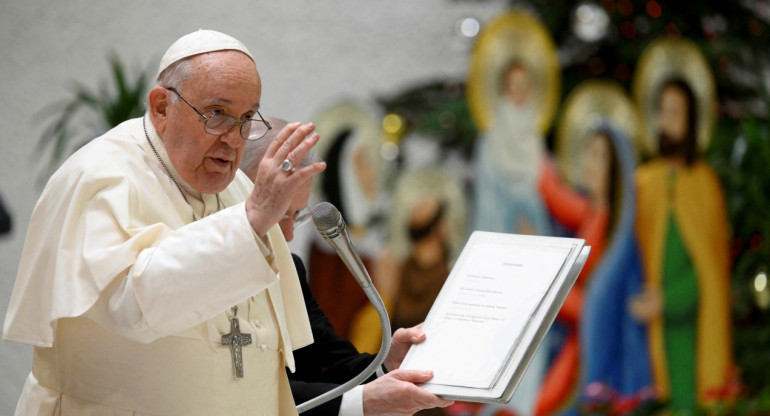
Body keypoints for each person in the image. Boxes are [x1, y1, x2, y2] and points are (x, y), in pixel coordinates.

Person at [0, 29, 443, 416]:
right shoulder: (101, 177)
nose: (233, 139)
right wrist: (250, 221)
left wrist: (383, 366)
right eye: (217, 113)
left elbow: (280, 355)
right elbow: (132, 302)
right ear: (161, 107)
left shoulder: (228, 191)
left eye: (247, 118)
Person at [241, 118, 455, 416]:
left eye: (297, 216)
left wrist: (387, 365)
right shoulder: (205, 274)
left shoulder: (287, 267)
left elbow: (325, 360)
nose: (289, 235)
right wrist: (363, 401)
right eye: (279, 214)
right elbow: (243, 390)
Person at [630, 78, 732, 410]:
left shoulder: (705, 184)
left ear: (690, 120)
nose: (667, 121)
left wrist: (669, 300)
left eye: (675, 112)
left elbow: (711, 271)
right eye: (661, 111)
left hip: (691, 333)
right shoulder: (643, 181)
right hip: (646, 331)